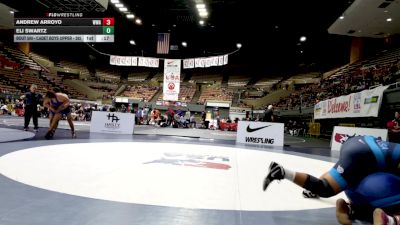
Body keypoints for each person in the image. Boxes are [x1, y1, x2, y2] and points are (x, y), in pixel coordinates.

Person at [263, 135, 400, 225]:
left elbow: (336, 173)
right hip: (366, 156)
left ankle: (283, 172)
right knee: (328, 188)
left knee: (328, 185)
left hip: (355, 146)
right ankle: (390, 220)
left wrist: (313, 190)